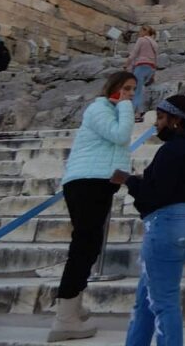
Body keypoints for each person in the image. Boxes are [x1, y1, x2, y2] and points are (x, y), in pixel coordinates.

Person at [111, 95, 185, 346]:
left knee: (164, 301)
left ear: (176, 120)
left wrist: (129, 181)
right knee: (146, 297)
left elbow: (156, 194)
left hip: (168, 222)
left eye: (161, 117)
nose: (156, 123)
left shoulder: (171, 150)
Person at [47, 72, 136, 343]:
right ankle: (65, 318)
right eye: (127, 88)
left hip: (97, 181)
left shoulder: (108, 109)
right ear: (114, 88)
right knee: (84, 246)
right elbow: (120, 136)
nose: (131, 93)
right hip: (87, 181)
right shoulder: (99, 108)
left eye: (133, 90)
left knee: (89, 245)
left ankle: (73, 304)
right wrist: (125, 105)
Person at [125, 26, 158, 123]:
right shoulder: (154, 43)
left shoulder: (141, 40)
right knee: (141, 89)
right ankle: (139, 111)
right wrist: (153, 73)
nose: (139, 32)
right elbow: (156, 58)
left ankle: (136, 114)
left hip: (141, 66)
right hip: (150, 68)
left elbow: (134, 53)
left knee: (136, 90)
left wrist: (126, 64)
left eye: (140, 30)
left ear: (145, 31)